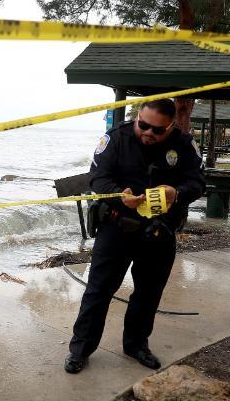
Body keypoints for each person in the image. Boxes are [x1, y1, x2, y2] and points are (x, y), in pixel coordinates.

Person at [64, 98, 205, 373]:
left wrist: (177, 193)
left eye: (158, 130)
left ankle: (136, 345)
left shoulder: (185, 145)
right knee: (98, 291)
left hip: (159, 232)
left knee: (149, 294)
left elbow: (198, 182)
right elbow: (97, 177)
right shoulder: (116, 139)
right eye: (144, 125)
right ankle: (80, 348)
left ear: (171, 126)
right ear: (137, 117)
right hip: (117, 227)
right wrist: (119, 195)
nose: (149, 133)